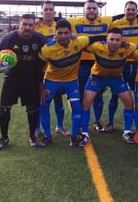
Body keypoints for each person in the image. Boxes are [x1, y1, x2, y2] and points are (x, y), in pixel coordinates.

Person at [39, 19, 106, 147]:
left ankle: (74, 136)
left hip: (71, 82)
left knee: (76, 107)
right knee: (44, 106)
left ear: (71, 32)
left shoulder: (79, 41)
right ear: (55, 33)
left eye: (66, 33)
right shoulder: (47, 49)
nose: (63, 36)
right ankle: (48, 136)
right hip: (51, 82)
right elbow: (38, 68)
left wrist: (111, 38)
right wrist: (40, 86)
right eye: (60, 33)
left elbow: (95, 37)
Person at [0, 13, 47, 150]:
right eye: (24, 24)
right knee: (3, 109)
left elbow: (52, 46)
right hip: (12, 79)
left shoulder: (39, 39)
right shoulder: (9, 38)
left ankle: (32, 136)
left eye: (30, 25)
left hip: (31, 80)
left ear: (34, 26)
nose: (27, 27)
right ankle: (4, 138)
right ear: (19, 25)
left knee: (32, 109)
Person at [67, 0, 124, 134]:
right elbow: (57, 24)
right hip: (81, 64)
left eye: (94, 8)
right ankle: (81, 123)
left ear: (98, 10)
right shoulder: (73, 21)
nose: (92, 11)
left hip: (100, 63)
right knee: (82, 95)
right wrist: (39, 20)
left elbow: (120, 17)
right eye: (89, 8)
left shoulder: (106, 20)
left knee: (98, 95)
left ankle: (97, 121)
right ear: (84, 10)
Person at [80, 28, 137, 144]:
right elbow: (81, 44)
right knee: (86, 102)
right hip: (97, 77)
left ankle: (127, 132)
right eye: (111, 39)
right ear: (106, 39)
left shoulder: (128, 47)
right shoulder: (97, 47)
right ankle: (84, 133)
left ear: (122, 40)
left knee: (129, 102)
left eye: (117, 40)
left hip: (116, 78)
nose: (114, 42)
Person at [103, 0, 138, 133]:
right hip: (120, 64)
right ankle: (110, 122)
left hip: (137, 65)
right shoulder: (116, 24)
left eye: (133, 9)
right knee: (115, 94)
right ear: (124, 11)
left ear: (137, 11)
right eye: (128, 9)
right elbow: (109, 38)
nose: (130, 12)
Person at [35, 0, 69, 137]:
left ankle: (59, 126)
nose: (48, 12)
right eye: (46, 9)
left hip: (56, 71)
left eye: (50, 9)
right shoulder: (35, 27)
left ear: (54, 12)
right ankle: (37, 127)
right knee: (40, 99)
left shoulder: (59, 26)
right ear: (42, 12)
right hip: (39, 70)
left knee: (58, 99)